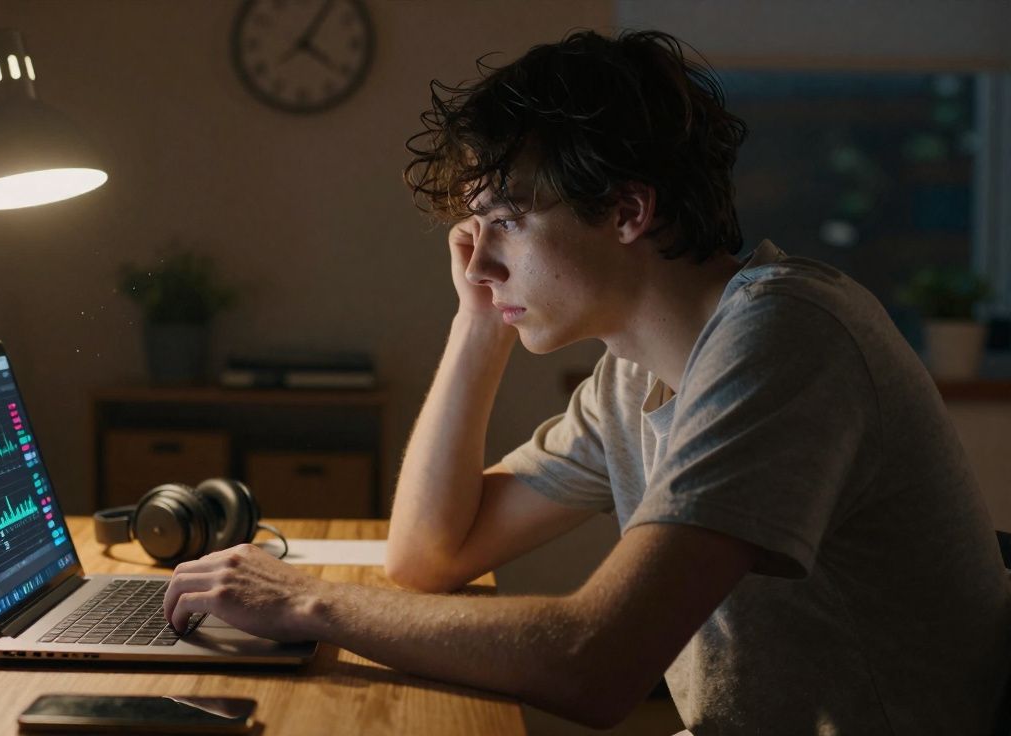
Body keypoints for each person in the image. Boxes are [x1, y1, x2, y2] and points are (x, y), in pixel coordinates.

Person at [164, 29, 1011, 732]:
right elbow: (429, 556)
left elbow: (595, 662)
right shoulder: (630, 375)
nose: (479, 262)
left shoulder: (786, 338)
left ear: (626, 211)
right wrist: (477, 325)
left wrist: (307, 603)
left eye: (506, 224)